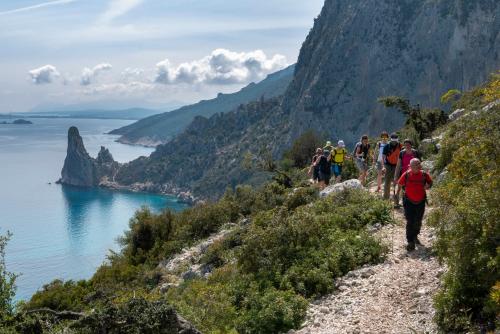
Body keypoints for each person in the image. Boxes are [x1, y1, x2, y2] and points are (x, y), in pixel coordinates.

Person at [396, 158, 432, 251]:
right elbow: (400, 184)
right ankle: (410, 241)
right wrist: (396, 194)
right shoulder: (407, 174)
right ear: (410, 166)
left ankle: (415, 235)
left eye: (418, 164)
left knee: (418, 220)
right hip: (408, 201)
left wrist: (428, 185)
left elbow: (430, 182)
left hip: (421, 201)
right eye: (415, 165)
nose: (417, 166)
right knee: (410, 221)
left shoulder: (424, 174)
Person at [393, 139, 421, 207]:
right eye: (405, 145)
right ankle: (396, 203)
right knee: (399, 188)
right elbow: (398, 165)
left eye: (408, 145)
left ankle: (408, 203)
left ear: (411, 145)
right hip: (403, 173)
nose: (407, 146)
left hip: (413, 174)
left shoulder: (415, 153)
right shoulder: (402, 153)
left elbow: (419, 163)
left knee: (409, 189)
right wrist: (396, 176)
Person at [382, 133, 402, 202]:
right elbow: (383, 157)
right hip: (388, 165)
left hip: (397, 166)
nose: (394, 142)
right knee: (387, 182)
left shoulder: (400, 146)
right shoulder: (387, 146)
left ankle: (396, 200)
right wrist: (383, 167)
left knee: (396, 182)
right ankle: (386, 199)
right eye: (393, 141)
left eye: (395, 141)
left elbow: (402, 156)